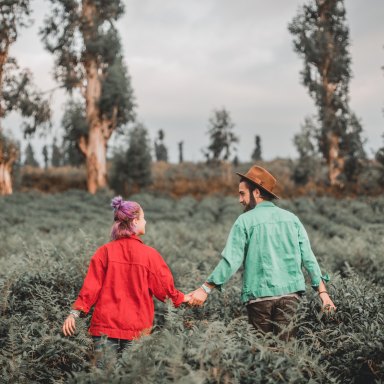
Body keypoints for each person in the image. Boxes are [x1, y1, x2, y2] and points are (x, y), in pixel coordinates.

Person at [187, 165, 336, 340]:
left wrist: (205, 289)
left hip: (259, 298)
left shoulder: (244, 221)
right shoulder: (292, 219)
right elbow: (309, 258)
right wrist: (323, 294)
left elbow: (231, 260)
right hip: (290, 297)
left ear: (256, 193)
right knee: (287, 355)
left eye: (242, 193)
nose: (239, 199)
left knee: (262, 355)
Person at [62, 196, 189, 357]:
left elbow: (90, 288)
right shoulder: (150, 255)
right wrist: (184, 298)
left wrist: (74, 313)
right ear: (135, 221)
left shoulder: (104, 251)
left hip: (104, 328)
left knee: (104, 377)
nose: (145, 221)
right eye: (143, 218)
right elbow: (165, 290)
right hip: (137, 329)